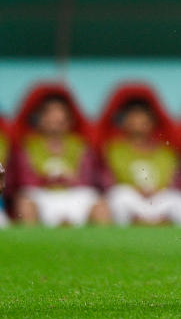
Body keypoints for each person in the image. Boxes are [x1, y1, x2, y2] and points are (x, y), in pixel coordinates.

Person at [12, 96, 109, 226]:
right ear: (40, 120)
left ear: (69, 121)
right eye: (49, 117)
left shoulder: (80, 145)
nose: (54, 121)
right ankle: (32, 242)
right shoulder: (28, 145)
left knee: (100, 205)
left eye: (59, 119)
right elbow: (23, 179)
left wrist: (70, 180)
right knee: (24, 202)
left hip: (73, 193)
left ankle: (101, 243)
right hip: (43, 194)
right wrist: (47, 180)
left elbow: (88, 178)